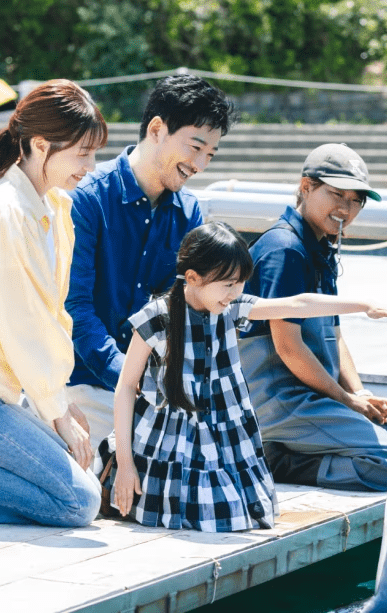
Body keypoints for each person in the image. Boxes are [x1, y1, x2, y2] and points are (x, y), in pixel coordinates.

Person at [96, 222, 387, 531]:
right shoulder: (157, 317)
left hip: (225, 434)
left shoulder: (229, 308)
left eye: (240, 282)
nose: (235, 292)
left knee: (237, 517)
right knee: (204, 516)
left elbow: (297, 303)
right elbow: (126, 387)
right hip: (168, 439)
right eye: (228, 283)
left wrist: (364, 305)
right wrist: (125, 463)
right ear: (192, 277)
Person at [0, 79, 108, 525]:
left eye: (94, 152)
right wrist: (54, 410)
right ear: (39, 144)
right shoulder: (6, 212)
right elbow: (21, 323)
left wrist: (58, 400)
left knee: (88, 485)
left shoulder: (54, 208)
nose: (91, 165)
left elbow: (49, 317)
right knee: (79, 502)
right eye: (82, 152)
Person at [66, 74, 237, 444]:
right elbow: (75, 309)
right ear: (157, 128)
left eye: (210, 154)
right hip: (81, 384)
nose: (200, 164)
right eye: (195, 147)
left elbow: (184, 307)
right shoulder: (88, 198)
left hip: (153, 390)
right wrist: (133, 378)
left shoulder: (188, 213)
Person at [239, 143, 387, 492]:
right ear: (305, 187)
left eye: (356, 199)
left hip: (312, 396)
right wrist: (347, 401)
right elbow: (287, 346)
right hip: (279, 399)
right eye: (336, 194)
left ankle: (283, 455)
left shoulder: (320, 246)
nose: (346, 208)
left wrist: (361, 392)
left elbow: (334, 335)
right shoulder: (285, 249)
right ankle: (280, 463)